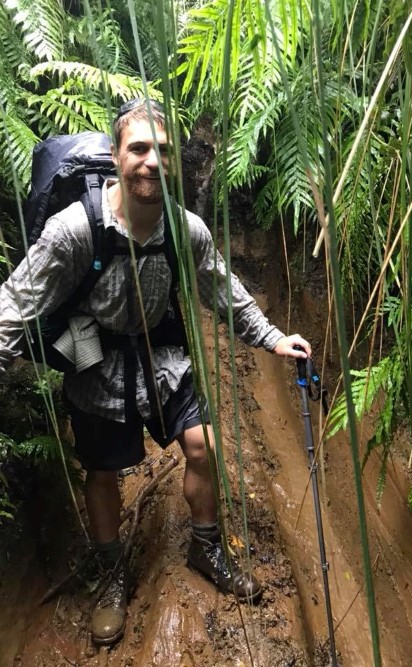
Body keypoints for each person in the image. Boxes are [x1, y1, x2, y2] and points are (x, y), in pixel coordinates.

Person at [0, 99, 311, 645]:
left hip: (163, 356)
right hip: (94, 363)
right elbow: (17, 301)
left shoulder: (184, 231)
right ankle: (113, 570)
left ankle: (205, 545)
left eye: (162, 151)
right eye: (138, 148)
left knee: (203, 445)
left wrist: (274, 338)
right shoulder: (75, 231)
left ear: (175, 165)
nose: (150, 161)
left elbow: (223, 291)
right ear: (117, 154)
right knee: (102, 474)